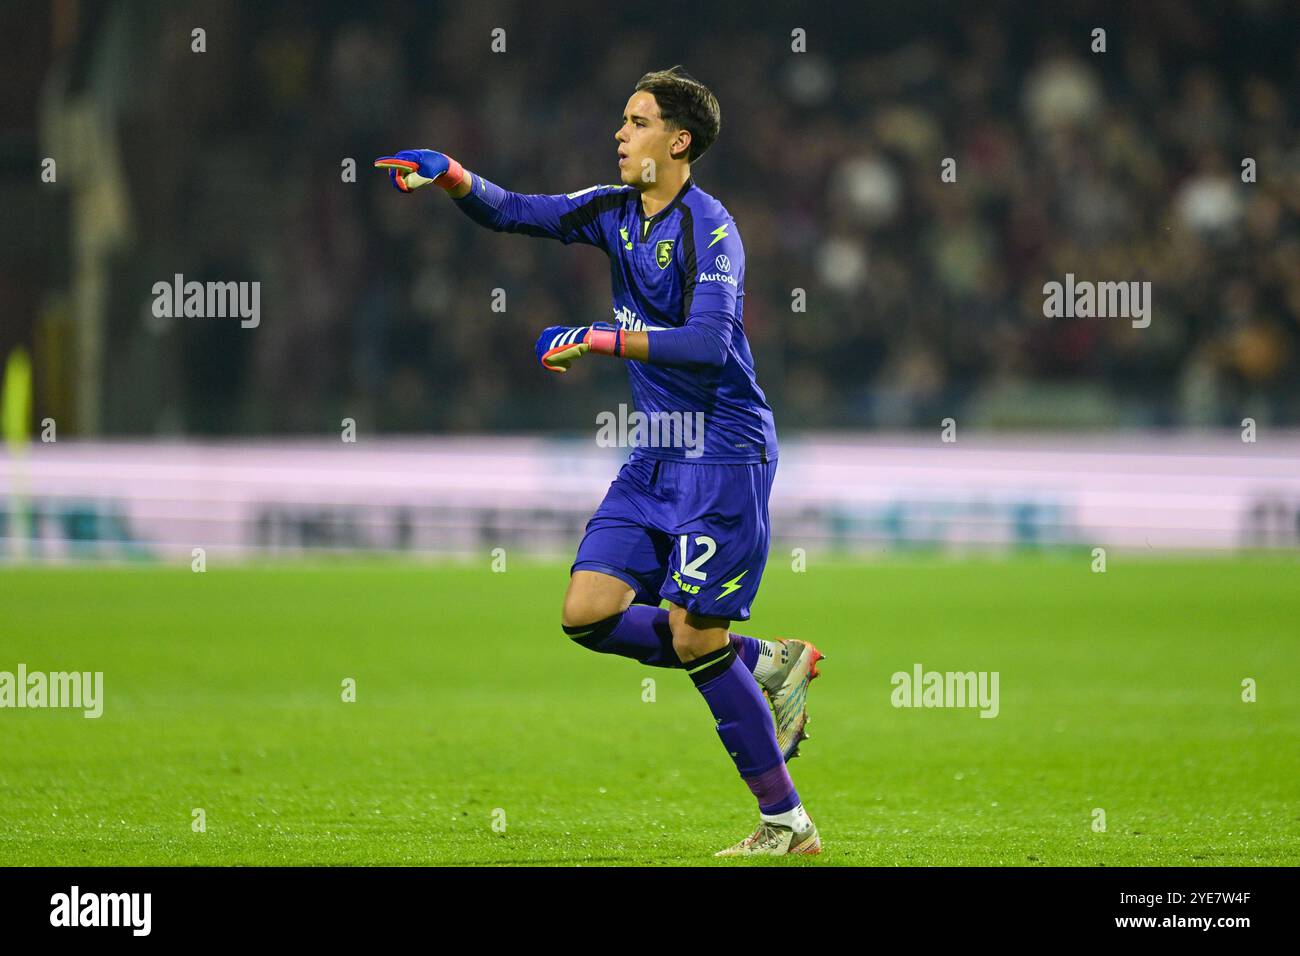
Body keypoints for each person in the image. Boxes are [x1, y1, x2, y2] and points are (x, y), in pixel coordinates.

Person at [376, 66, 823, 856]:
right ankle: (766, 660)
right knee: (585, 612)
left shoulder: (710, 228)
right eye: (623, 118)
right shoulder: (611, 211)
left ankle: (786, 822)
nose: (620, 133)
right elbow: (515, 211)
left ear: (677, 141)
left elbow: (710, 343)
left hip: (723, 450)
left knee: (691, 638)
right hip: (655, 455)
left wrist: (599, 336)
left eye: (638, 121)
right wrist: (451, 175)